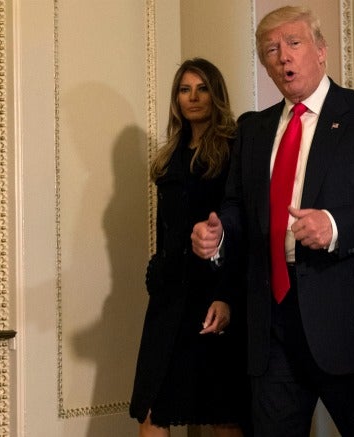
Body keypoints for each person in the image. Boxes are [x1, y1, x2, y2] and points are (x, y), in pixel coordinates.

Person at [191, 6, 354, 436]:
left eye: (294, 44)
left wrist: (335, 225)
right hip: (272, 323)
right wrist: (218, 234)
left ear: (321, 51)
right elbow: (237, 206)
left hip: (350, 322)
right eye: (271, 50)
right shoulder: (253, 129)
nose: (283, 57)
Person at [130, 58, 249, 437]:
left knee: (219, 411)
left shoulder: (233, 148)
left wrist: (227, 294)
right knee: (151, 407)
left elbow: (240, 226)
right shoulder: (169, 156)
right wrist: (157, 270)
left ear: (216, 94)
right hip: (168, 296)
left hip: (212, 293)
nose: (193, 97)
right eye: (185, 89)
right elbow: (167, 229)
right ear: (176, 98)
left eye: (201, 88)